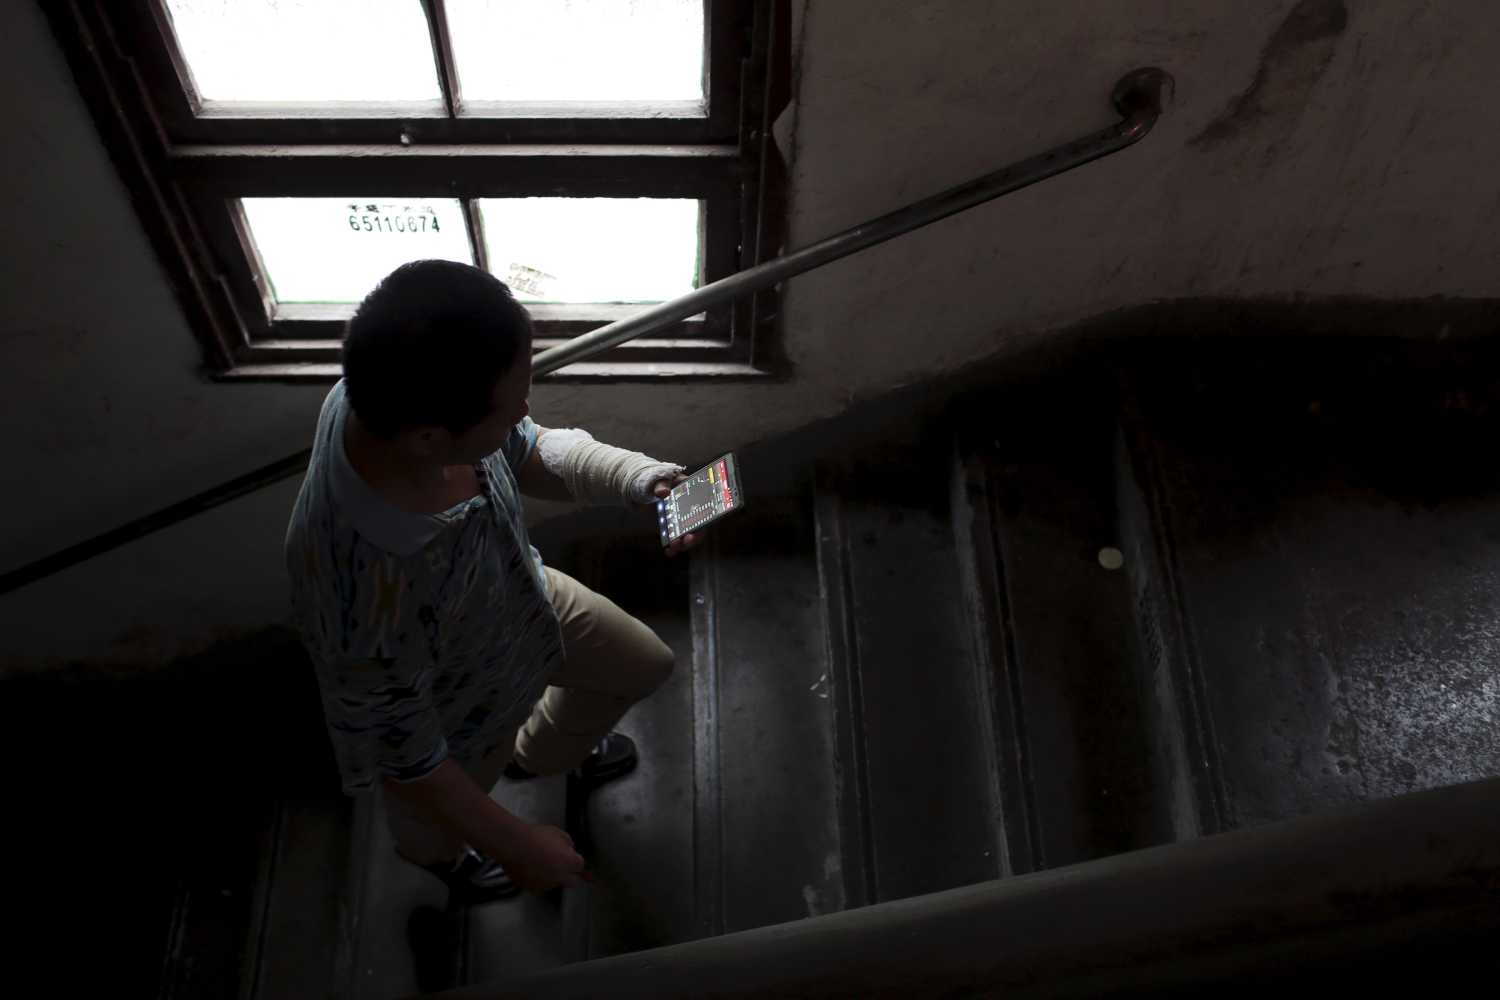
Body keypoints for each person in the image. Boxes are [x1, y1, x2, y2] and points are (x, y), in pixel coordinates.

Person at [284, 259, 700, 903]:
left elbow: (526, 448)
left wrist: (637, 478)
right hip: (458, 714)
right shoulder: (360, 592)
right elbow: (405, 753)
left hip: (522, 598)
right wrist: (516, 842)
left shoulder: (381, 406)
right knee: (435, 827)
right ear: (430, 438)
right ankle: (449, 867)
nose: (525, 411)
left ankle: (536, 756)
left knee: (641, 663)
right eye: (508, 408)